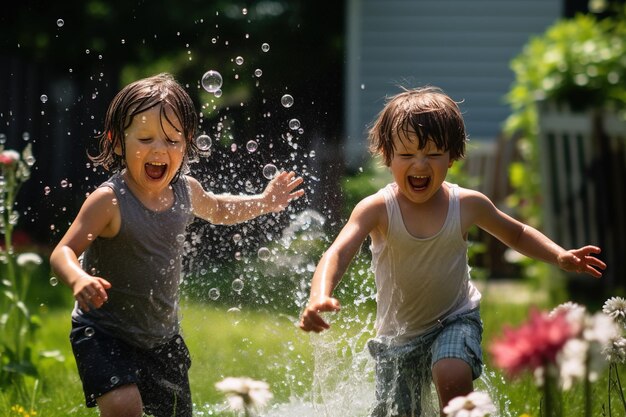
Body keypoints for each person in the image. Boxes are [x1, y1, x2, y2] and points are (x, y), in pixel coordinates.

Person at [298, 86, 605, 417]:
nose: (420, 164)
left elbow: (516, 233)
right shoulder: (377, 209)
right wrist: (320, 295)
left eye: (432, 154)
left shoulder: (466, 204)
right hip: (397, 340)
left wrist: (559, 255)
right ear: (387, 156)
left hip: (455, 318)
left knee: (451, 372)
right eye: (406, 155)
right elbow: (338, 253)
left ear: (453, 155)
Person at [50, 73, 304, 417]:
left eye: (172, 140)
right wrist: (78, 279)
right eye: (145, 138)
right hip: (103, 331)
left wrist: (264, 201)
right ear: (118, 141)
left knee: (174, 411)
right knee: (125, 407)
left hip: (161, 338)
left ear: (186, 143)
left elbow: (218, 208)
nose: (159, 149)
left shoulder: (186, 191)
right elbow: (62, 251)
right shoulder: (109, 201)